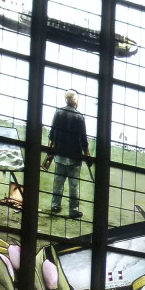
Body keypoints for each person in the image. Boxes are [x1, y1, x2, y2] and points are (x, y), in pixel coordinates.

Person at [43, 89, 90, 218]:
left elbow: (52, 134)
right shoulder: (79, 117)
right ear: (75, 101)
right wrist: (87, 153)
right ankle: (73, 210)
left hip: (59, 156)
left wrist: (50, 151)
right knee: (74, 185)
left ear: (66, 100)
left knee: (58, 183)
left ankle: (55, 205)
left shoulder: (58, 113)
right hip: (74, 158)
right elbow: (83, 139)